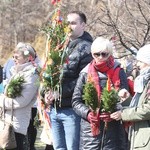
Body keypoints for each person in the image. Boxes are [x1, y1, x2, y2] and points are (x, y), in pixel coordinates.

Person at [44, 11, 93, 150]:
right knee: (59, 147)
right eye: (67, 23)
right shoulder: (60, 45)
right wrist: (47, 92)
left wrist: (60, 92)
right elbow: (50, 74)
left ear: (83, 25)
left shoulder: (87, 48)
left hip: (72, 110)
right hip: (55, 108)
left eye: (73, 23)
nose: (68, 26)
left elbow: (84, 81)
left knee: (73, 147)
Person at [72, 37, 129, 150]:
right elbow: (76, 101)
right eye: (96, 54)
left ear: (110, 53)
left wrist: (115, 111)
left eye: (104, 54)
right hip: (90, 132)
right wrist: (88, 113)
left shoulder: (119, 71)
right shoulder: (85, 73)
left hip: (114, 132)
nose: (100, 57)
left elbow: (126, 100)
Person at [0, 42, 39, 150]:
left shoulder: (31, 75)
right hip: (6, 121)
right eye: (13, 56)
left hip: (16, 124)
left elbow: (21, 101)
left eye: (17, 57)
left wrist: (1, 100)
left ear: (27, 59)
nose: (13, 59)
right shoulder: (17, 72)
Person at [111, 44, 150, 150]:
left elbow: (148, 109)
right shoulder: (144, 80)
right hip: (141, 137)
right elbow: (141, 105)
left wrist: (123, 114)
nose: (137, 64)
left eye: (141, 61)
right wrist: (128, 100)